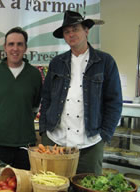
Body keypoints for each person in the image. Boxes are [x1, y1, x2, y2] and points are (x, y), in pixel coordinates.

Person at [39, 11, 122, 175]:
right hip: (56, 139)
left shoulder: (105, 62)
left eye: (75, 29)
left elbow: (114, 102)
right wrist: (43, 130)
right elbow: (46, 97)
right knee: (54, 188)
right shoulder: (57, 62)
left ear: (86, 31)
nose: (71, 34)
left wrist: (104, 135)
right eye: (67, 31)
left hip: (90, 142)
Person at [0, 27, 42, 170]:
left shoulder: (34, 75)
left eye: (20, 44)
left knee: (23, 186)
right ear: (5, 47)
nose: (15, 48)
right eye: (11, 44)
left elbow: (35, 107)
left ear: (25, 48)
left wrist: (19, 119)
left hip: (23, 142)